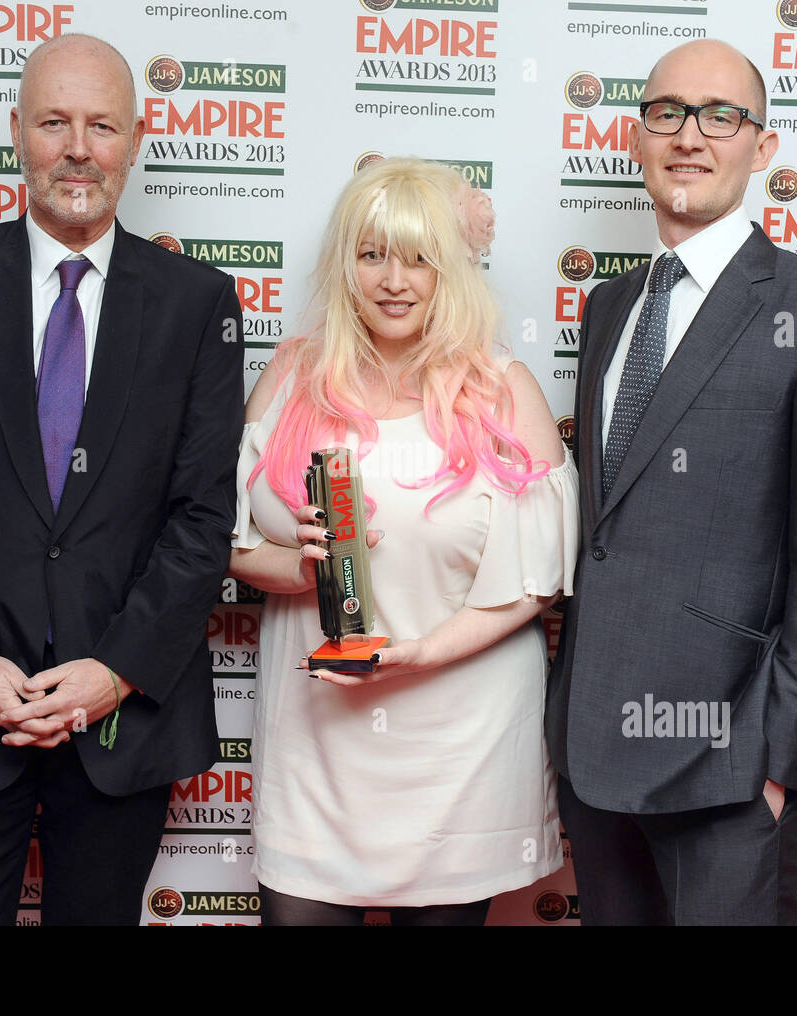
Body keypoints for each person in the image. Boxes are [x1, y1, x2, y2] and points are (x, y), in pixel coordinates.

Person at [0, 34, 243, 925]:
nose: (78, 148)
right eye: (54, 122)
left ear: (135, 139)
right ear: (17, 133)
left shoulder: (197, 307)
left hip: (120, 723)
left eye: (102, 125)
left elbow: (201, 517)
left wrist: (114, 671)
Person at [547, 39, 797, 925]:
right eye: (666, 112)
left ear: (763, 145)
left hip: (732, 766)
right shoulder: (610, 308)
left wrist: (783, 768)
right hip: (594, 751)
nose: (690, 137)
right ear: (636, 137)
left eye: (721, 116)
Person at [229, 157, 577, 926]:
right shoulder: (292, 373)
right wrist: (299, 566)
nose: (395, 280)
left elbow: (538, 580)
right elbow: (232, 540)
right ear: (344, 262)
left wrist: (418, 654)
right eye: (373, 253)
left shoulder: (502, 387)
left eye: (420, 257)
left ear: (452, 268)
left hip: (462, 740)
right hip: (316, 742)